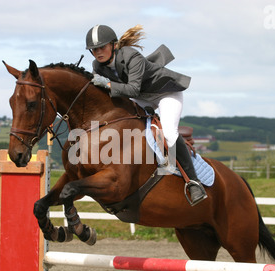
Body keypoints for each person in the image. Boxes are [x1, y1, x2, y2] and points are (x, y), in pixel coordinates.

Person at [85, 24, 207, 206]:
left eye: (102, 47)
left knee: (169, 132)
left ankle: (194, 182)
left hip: (165, 93)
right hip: (142, 98)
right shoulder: (98, 65)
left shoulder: (131, 56)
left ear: (114, 45)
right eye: (94, 49)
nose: (98, 52)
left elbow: (132, 88)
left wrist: (108, 85)